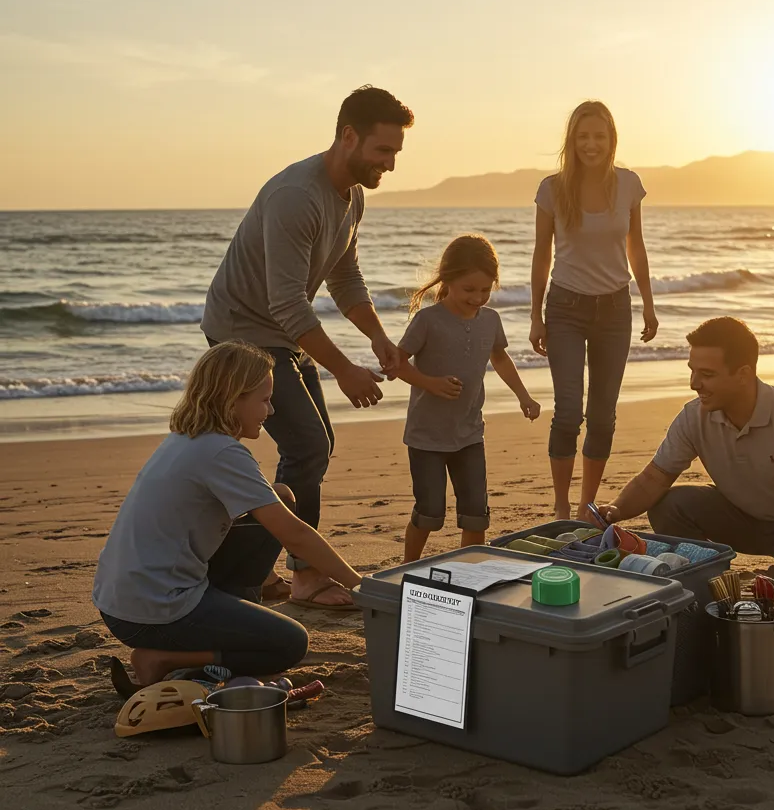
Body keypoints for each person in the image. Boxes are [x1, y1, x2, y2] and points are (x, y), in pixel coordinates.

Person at [201, 86, 414, 609]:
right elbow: (287, 305)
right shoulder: (296, 196)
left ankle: (269, 567)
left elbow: (344, 277)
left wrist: (379, 338)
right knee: (308, 447)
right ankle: (301, 576)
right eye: (383, 151)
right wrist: (344, 369)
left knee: (313, 447)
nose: (389, 163)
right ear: (348, 136)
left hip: (279, 332)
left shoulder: (352, 196)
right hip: (242, 333)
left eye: (395, 153)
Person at [92, 342, 364, 687]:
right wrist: (362, 586)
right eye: (264, 400)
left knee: (279, 496)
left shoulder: (187, 438)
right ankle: (162, 657)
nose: (272, 410)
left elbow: (273, 514)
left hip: (120, 599)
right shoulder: (221, 452)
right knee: (289, 643)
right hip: (152, 612)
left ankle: (234, 612)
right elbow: (295, 535)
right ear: (232, 398)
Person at [596, 317, 774, 609]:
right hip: (736, 515)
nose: (694, 383)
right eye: (692, 371)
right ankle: (707, 579)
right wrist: (614, 511)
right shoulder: (694, 416)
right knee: (669, 504)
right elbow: (655, 477)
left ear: (743, 374)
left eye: (707, 374)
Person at [530, 100, 658, 522]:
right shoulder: (552, 188)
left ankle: (587, 502)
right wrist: (536, 315)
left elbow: (635, 247)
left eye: (599, 136)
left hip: (615, 309)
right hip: (565, 306)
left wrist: (648, 304)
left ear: (611, 139)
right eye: (583, 136)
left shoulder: (629, 184)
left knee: (602, 414)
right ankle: (562, 503)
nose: (591, 144)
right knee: (568, 409)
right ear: (572, 140)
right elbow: (541, 254)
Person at [396, 235, 541, 563]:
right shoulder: (428, 321)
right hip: (427, 437)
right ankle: (409, 566)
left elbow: (500, 358)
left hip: (470, 434)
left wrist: (524, 395)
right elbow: (396, 364)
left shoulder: (490, 320)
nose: (477, 298)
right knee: (430, 512)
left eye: (485, 290)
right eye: (469, 290)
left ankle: (469, 570)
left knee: (476, 512)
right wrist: (428, 383)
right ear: (447, 280)